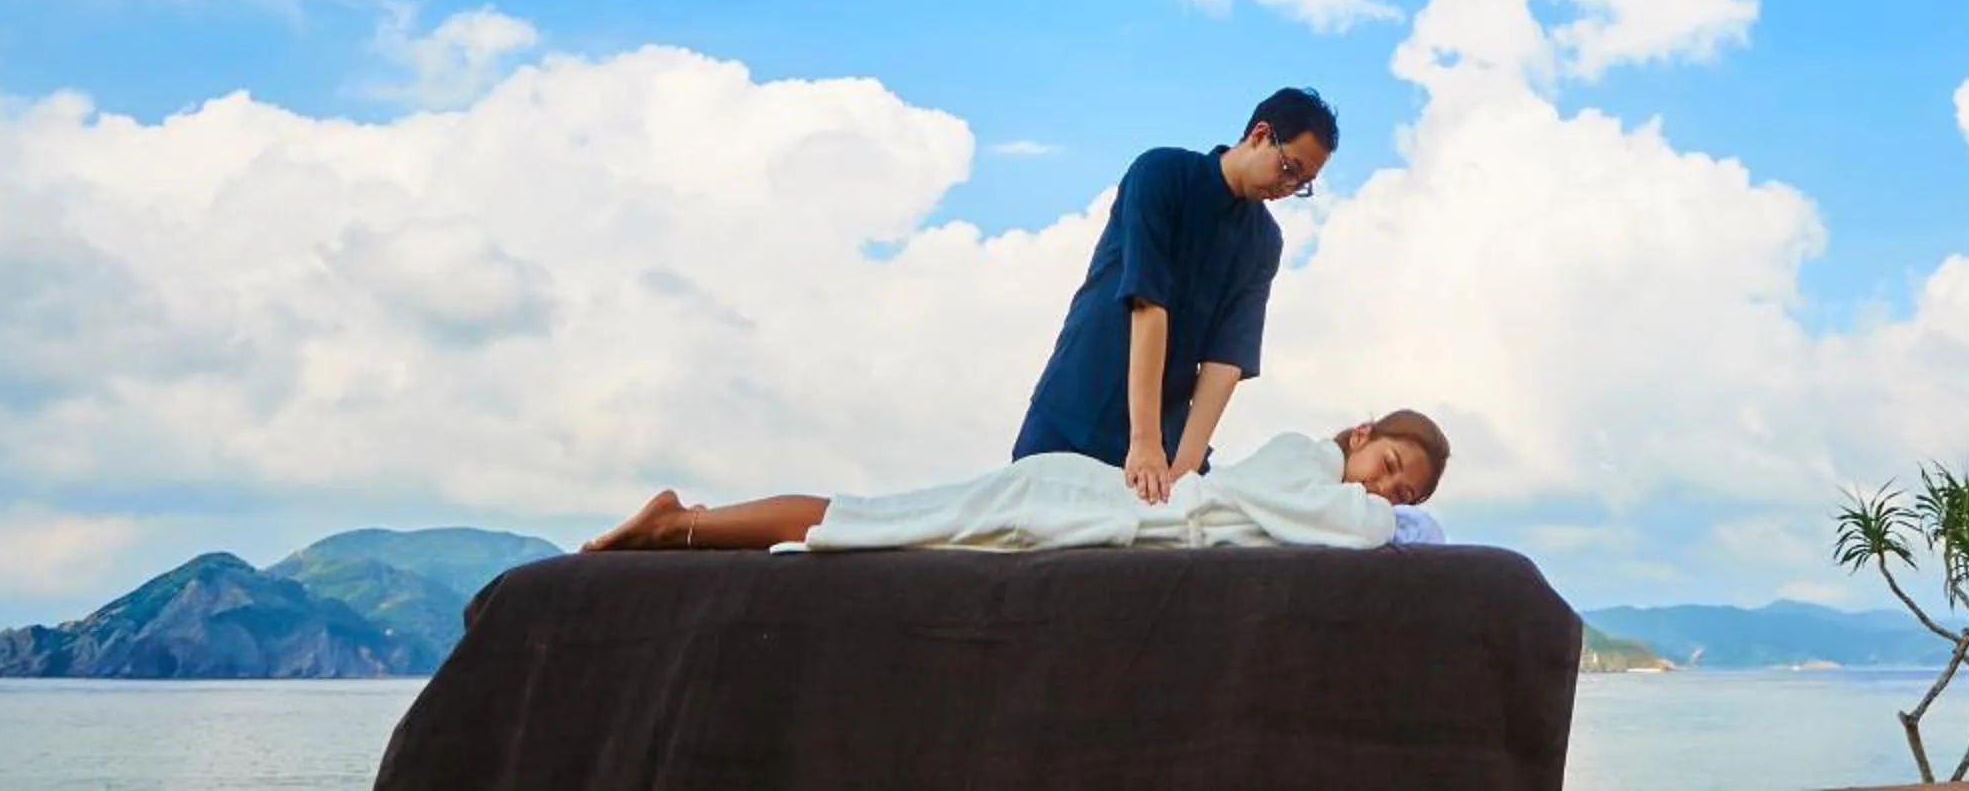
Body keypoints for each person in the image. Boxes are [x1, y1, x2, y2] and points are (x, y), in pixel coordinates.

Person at [1011, 88, 1336, 503]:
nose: (1288, 187)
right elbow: (1148, 304)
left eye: (1303, 184)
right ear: (1259, 134)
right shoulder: (1162, 173)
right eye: (1289, 168)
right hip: (1075, 407)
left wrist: (1184, 466)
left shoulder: (1264, 241)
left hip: (1164, 440)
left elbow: (1227, 359)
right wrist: (1143, 441)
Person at [579, 412, 1449, 556]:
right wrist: (1392, 525)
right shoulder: (1306, 459)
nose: (1385, 497)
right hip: (1075, 502)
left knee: (880, 527)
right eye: (1388, 471)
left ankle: (687, 525)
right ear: (1361, 434)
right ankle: (681, 523)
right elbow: (1352, 528)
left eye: (1406, 497)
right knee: (871, 521)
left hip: (1092, 508)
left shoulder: (1326, 493)